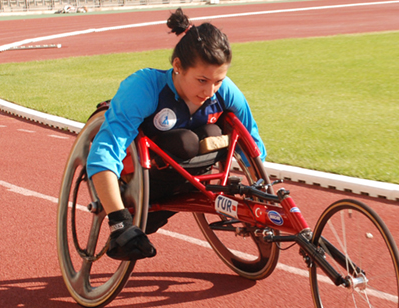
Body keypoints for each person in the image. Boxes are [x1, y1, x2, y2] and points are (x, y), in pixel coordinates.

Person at [86, 8, 267, 261]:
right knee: (186, 142)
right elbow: (105, 151)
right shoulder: (144, 87)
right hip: (136, 182)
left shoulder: (225, 91)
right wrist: (118, 220)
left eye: (218, 81)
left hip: (191, 181)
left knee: (211, 133)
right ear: (177, 66)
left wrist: (261, 192)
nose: (211, 91)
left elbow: (252, 142)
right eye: (202, 80)